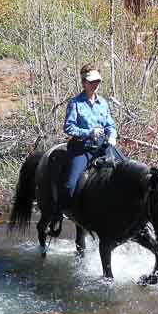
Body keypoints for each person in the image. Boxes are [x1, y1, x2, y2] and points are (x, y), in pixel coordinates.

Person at [54, 63, 119, 226]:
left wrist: (112, 136)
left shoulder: (103, 103)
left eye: (97, 81)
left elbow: (110, 124)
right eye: (92, 81)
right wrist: (88, 132)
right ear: (83, 82)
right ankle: (62, 212)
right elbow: (68, 127)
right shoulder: (75, 103)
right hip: (81, 148)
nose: (95, 84)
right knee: (70, 184)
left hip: (102, 146)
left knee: (126, 168)